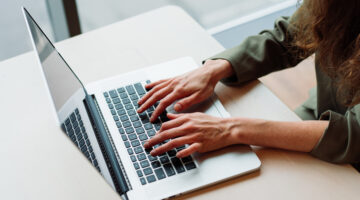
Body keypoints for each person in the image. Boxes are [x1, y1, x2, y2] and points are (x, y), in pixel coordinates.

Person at [137, 0, 360, 169]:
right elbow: (290, 35)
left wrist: (230, 129)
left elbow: (353, 135)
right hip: (322, 113)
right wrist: (215, 68)